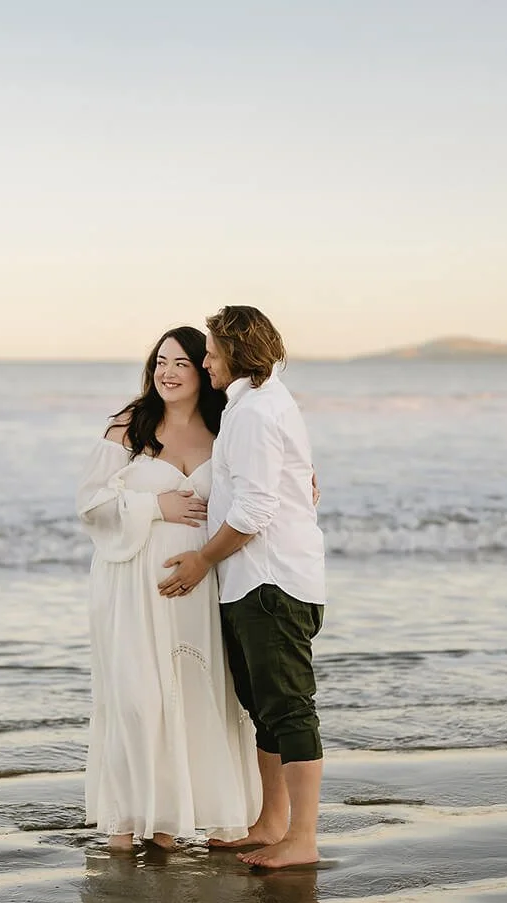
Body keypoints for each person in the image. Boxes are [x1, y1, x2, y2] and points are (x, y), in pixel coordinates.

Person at [76, 326, 262, 852]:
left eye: (182, 362)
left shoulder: (225, 429)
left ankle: (167, 822)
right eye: (161, 361)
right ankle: (124, 819)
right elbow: (89, 505)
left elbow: (262, 484)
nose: (168, 372)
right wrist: (155, 507)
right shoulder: (128, 426)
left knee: (192, 695)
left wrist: (304, 479)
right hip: (133, 585)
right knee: (137, 698)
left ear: (204, 370)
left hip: (199, 588)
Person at [158, 305, 327, 869]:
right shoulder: (256, 405)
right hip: (252, 582)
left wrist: (202, 559)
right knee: (263, 705)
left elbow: (255, 508)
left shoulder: (255, 412)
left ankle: (302, 837)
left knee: (289, 708)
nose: (205, 363)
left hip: (271, 582)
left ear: (236, 350)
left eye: (210, 352)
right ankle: (272, 823)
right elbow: (286, 482)